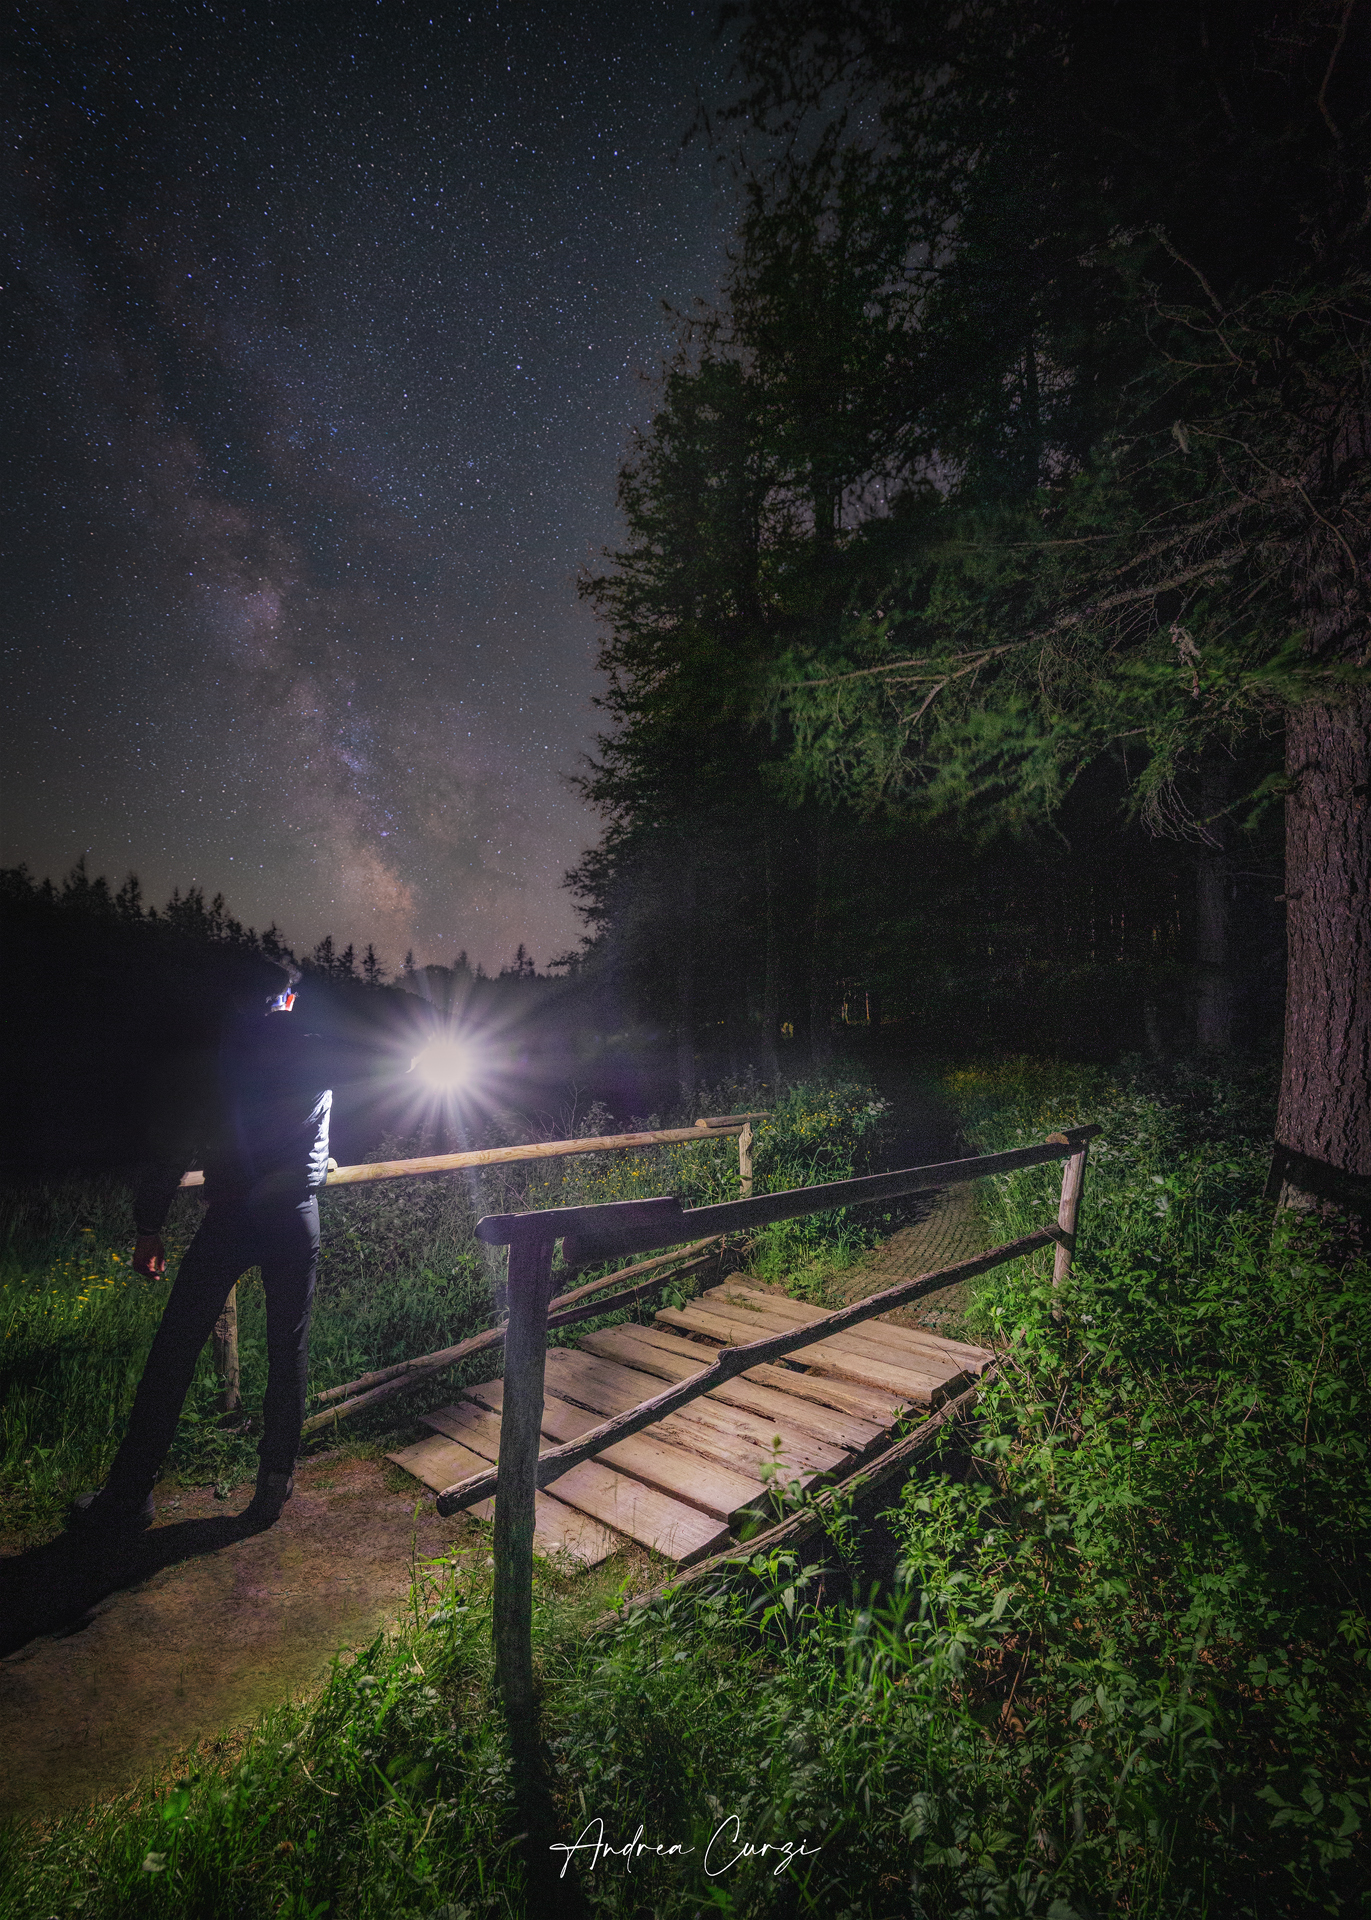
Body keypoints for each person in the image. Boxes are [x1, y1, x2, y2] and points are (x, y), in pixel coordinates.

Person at [70, 965, 333, 1538]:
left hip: (232, 1217)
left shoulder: (221, 1059)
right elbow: (392, 1068)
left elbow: (173, 1146)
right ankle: (272, 1485)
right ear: (286, 1000)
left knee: (174, 1350)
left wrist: (149, 1227)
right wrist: (319, 1161)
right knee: (288, 1350)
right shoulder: (318, 1052)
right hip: (293, 1217)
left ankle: (128, 1496)